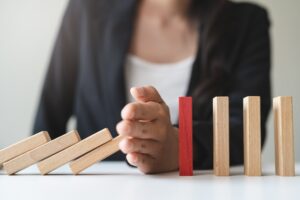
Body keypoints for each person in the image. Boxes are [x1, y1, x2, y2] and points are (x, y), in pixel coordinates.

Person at [33, 0, 271, 174]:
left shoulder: (246, 23)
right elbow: (48, 120)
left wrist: (180, 146)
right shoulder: (87, 10)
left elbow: (246, 135)